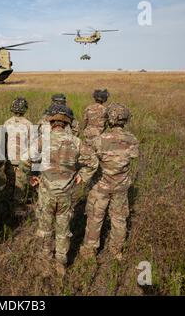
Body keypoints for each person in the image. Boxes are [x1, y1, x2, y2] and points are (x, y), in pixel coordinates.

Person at [28, 104, 98, 275]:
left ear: (50, 121)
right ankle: (61, 264)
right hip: (66, 194)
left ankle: (45, 261)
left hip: (46, 194)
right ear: (68, 123)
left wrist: (34, 176)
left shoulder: (42, 140)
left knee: (45, 229)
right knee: (63, 230)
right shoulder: (76, 142)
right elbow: (93, 162)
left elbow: (27, 160)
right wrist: (81, 176)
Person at [79, 103, 139, 261]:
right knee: (119, 219)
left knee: (94, 218)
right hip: (121, 187)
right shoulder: (132, 139)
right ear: (125, 119)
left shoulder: (99, 140)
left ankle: (89, 252)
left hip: (100, 187)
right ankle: (116, 251)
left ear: (109, 119)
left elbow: (89, 160)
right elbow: (133, 155)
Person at [2, 97, 33, 210]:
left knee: (9, 185)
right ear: (24, 109)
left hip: (10, 160)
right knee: (21, 186)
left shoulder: (6, 123)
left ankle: (7, 209)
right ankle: (18, 210)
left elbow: (2, 143)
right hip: (23, 162)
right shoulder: (29, 124)